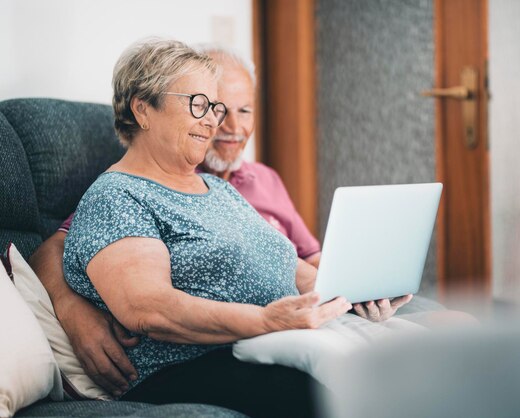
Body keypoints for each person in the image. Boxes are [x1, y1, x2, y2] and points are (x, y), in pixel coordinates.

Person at [29, 46, 414, 399]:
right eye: (200, 104)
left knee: (417, 362)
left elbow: (295, 270)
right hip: (197, 364)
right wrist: (264, 320)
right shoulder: (118, 196)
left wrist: (357, 294)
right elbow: (149, 308)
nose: (214, 122)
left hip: (277, 342)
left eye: (215, 107)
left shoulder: (218, 189)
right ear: (142, 109)